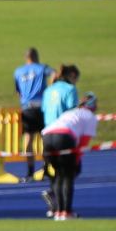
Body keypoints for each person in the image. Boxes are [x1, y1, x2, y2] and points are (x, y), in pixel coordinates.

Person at [41, 91, 97, 220]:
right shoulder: (90, 116)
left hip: (46, 137)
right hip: (64, 137)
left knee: (58, 175)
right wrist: (76, 160)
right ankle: (66, 212)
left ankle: (57, 211)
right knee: (67, 176)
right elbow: (83, 143)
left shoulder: (69, 113)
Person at [14, 47, 52, 177]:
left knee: (28, 138)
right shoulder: (42, 68)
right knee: (45, 137)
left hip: (27, 107)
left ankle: (30, 170)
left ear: (26, 58)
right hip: (42, 106)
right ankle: (46, 167)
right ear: (37, 57)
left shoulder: (18, 71)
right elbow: (55, 74)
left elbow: (18, 91)